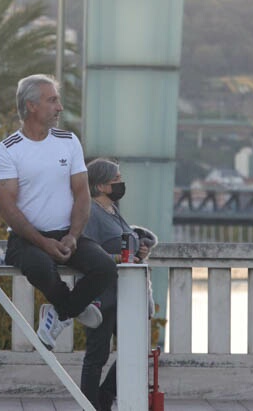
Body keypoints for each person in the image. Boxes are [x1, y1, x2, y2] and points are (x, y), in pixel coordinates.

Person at [0, 74, 116, 350]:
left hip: (66, 234)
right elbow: (7, 207)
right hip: (26, 240)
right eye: (52, 101)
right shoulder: (8, 149)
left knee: (106, 267)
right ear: (31, 106)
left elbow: (83, 194)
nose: (59, 107)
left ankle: (60, 311)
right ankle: (69, 307)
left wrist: (73, 236)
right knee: (40, 267)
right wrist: (42, 241)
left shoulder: (68, 141)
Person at [80, 158, 156, 411]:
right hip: (101, 294)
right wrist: (118, 258)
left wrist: (140, 250)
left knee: (133, 350)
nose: (121, 183)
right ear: (100, 185)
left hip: (125, 294)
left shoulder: (114, 211)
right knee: (97, 356)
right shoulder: (90, 212)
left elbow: (123, 244)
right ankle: (90, 405)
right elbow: (86, 250)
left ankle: (105, 396)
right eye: (116, 180)